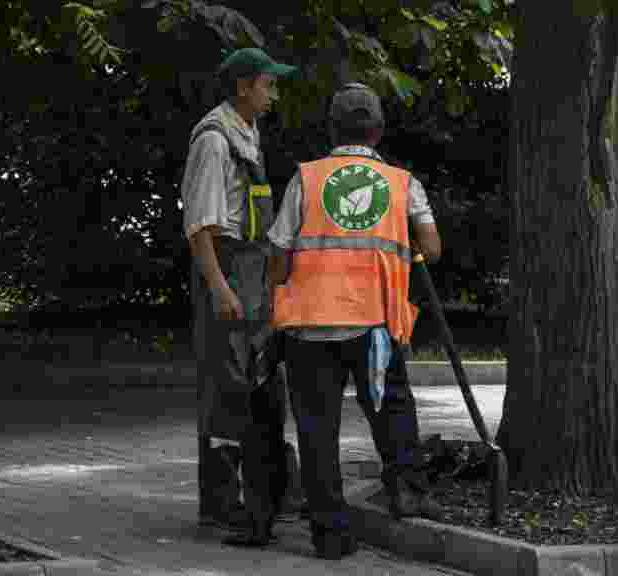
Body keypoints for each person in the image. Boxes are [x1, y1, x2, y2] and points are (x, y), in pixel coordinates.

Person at [266, 82, 443, 559]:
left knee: (316, 431)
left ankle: (330, 536)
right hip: (374, 325)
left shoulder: (306, 179)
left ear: (331, 129)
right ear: (378, 131)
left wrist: (276, 294)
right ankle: (407, 492)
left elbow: (279, 252)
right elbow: (431, 248)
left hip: (309, 326)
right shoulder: (402, 183)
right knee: (392, 411)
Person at [179, 46, 298, 547]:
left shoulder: (247, 132)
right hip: (226, 266)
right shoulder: (213, 140)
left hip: (250, 267)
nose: (274, 94)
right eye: (268, 85)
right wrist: (219, 286)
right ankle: (221, 504)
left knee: (258, 380)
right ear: (244, 86)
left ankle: (266, 495)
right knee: (225, 387)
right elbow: (199, 226)